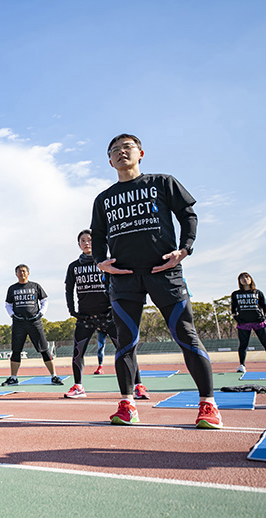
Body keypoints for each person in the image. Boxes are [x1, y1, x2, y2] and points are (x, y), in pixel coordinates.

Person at [91, 133, 221, 429]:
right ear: (109, 160)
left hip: (165, 273)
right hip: (124, 279)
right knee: (125, 344)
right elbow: (97, 234)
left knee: (186, 336)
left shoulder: (163, 182)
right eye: (115, 150)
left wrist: (185, 249)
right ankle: (127, 404)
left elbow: (188, 215)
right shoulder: (103, 199)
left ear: (141, 153)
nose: (121, 153)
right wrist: (101, 261)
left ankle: (208, 405)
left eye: (127, 148)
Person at [64, 231, 149, 399]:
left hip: (108, 316)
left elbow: (118, 283)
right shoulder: (73, 266)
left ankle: (139, 386)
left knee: (126, 350)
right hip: (85, 318)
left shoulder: (106, 262)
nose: (86, 243)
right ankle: (78, 386)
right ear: (78, 244)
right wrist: (72, 310)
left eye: (90, 240)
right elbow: (69, 289)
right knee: (77, 352)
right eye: (83, 240)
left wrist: (115, 307)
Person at [2, 265, 62, 386]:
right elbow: (8, 304)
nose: (21, 274)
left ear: (28, 273)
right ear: (16, 274)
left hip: (34, 322)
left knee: (44, 349)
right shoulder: (12, 288)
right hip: (19, 323)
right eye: (19, 272)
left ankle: (54, 376)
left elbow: (44, 300)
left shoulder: (35, 286)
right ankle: (13, 377)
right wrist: (12, 315)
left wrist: (41, 314)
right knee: (16, 351)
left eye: (24, 271)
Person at [231, 272, 266, 373]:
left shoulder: (258, 292)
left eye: (246, 277)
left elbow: (264, 306)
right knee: (243, 345)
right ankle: (242, 365)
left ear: (251, 279)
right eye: (242, 278)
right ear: (239, 281)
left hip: (258, 322)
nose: (244, 279)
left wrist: (264, 318)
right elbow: (233, 309)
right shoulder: (235, 294)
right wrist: (237, 319)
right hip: (243, 323)